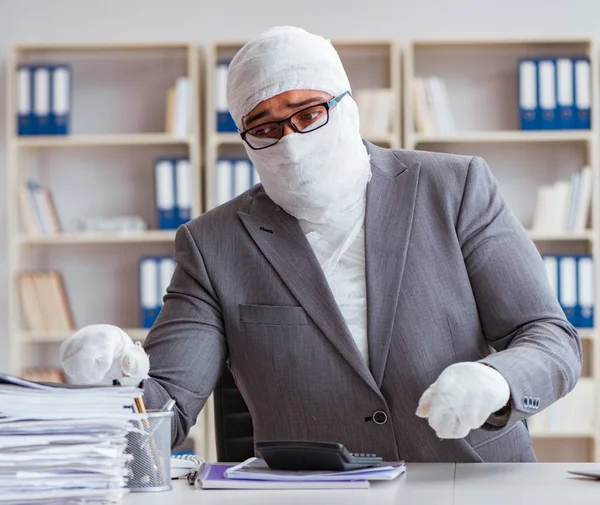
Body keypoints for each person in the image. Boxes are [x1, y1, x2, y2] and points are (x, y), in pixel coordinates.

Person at [60, 26, 582, 462]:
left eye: (307, 113)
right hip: (315, 495)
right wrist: (112, 386)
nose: (290, 140)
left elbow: (550, 339)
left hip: (472, 484)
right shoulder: (212, 244)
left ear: (346, 104)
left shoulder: (454, 188)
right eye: (263, 126)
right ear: (244, 139)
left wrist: (496, 380)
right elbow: (166, 408)